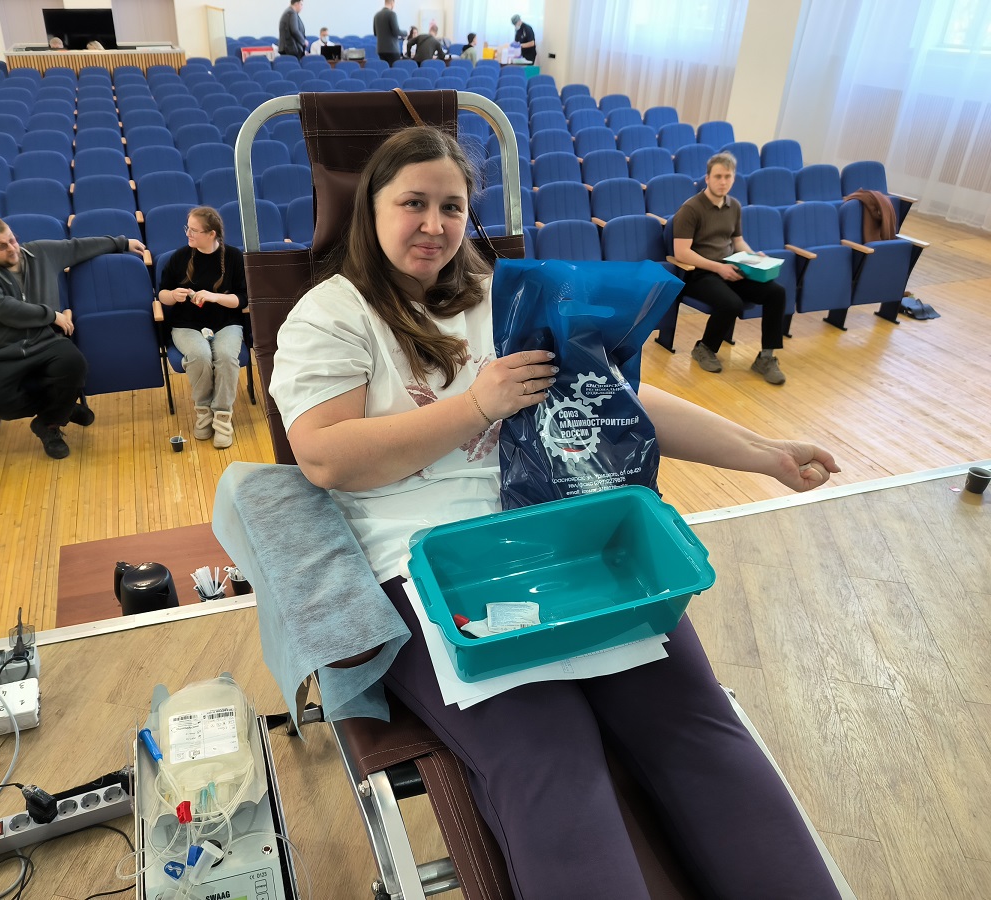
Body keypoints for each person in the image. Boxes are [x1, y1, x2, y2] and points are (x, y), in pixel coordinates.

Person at [268, 126, 844, 899]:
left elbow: (616, 400)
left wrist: (763, 452)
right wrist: (477, 405)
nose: (433, 224)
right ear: (370, 209)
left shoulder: (503, 296)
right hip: (431, 566)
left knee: (697, 729)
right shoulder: (332, 316)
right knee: (548, 755)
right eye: (413, 203)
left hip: (568, 544)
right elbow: (326, 455)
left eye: (451, 206)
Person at [0, 216, 146, 459]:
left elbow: (77, 247)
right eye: (1, 246)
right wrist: (50, 315)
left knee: (74, 364)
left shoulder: (39, 253)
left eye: (12, 240)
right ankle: (65, 409)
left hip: (43, 341)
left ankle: (49, 424)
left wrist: (122, 243)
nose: (12, 248)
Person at [672, 151, 789, 385]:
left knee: (777, 293)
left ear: (734, 178)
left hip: (730, 268)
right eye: (718, 176)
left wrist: (754, 256)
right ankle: (705, 348)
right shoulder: (691, 208)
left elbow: (737, 241)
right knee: (731, 303)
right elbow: (681, 252)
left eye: (728, 177)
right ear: (707, 178)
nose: (723, 182)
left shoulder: (734, 205)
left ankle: (766, 357)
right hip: (699, 274)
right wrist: (717, 268)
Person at [157, 207, 249, 450]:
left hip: (226, 322)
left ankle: (222, 418)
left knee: (227, 357)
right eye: (187, 228)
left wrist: (213, 296)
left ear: (212, 234)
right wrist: (173, 295)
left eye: (194, 230)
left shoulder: (234, 257)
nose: (188, 234)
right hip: (186, 325)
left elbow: (242, 300)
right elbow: (162, 294)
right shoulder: (179, 257)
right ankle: (204, 413)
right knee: (200, 355)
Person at [373, 0, 407, 66]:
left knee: (385, 68)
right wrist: (406, 32)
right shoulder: (392, 14)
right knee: (394, 70)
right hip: (392, 49)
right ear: (392, 3)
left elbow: (375, 33)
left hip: (381, 49)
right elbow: (396, 31)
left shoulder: (376, 15)